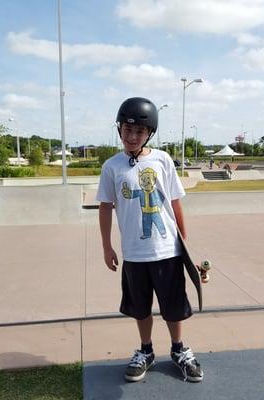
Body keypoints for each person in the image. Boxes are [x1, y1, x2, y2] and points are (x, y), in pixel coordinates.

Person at [96, 97, 203, 383]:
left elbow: (175, 201)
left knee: (173, 306)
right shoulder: (112, 166)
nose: (132, 137)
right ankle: (146, 350)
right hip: (134, 254)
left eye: (139, 132)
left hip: (167, 250)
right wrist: (107, 246)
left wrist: (184, 239)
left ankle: (179, 349)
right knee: (140, 307)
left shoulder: (163, 160)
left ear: (149, 134)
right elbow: (106, 206)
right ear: (119, 130)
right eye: (127, 130)